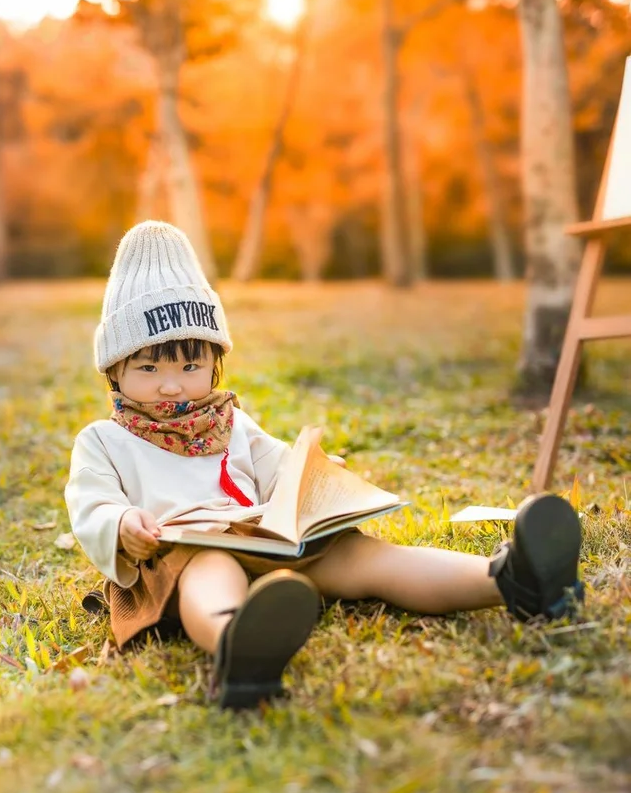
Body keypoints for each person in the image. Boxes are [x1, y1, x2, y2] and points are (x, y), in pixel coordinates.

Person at [65, 221, 584, 709]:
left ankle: (511, 579)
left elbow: (279, 467)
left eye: (191, 365)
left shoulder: (230, 422)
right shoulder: (106, 440)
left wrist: (312, 479)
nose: (172, 384)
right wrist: (122, 526)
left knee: (363, 556)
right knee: (212, 569)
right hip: (179, 551)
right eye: (149, 367)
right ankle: (238, 644)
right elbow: (91, 502)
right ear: (114, 369)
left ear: (214, 361)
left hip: (263, 540)